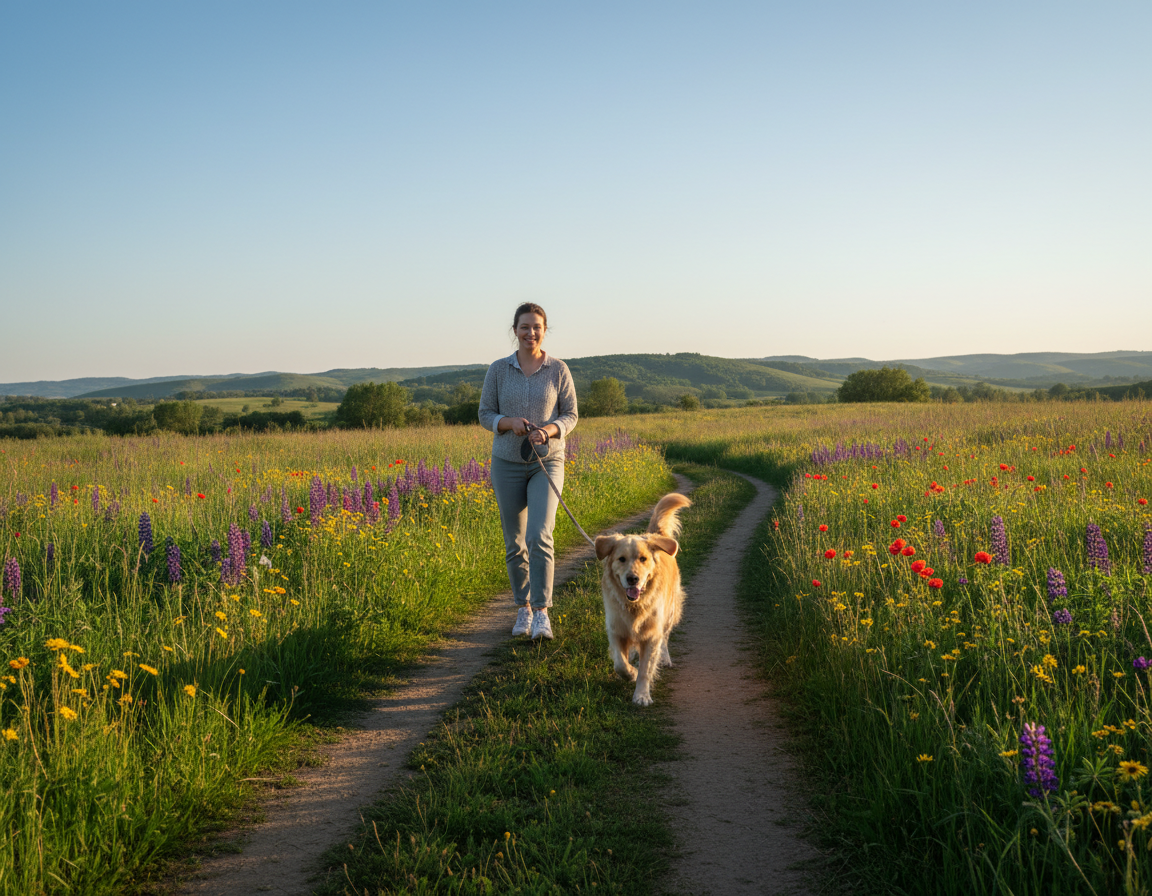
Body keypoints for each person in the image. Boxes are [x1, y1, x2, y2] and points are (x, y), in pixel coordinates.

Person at [478, 303, 578, 640]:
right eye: (524, 327)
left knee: (539, 535)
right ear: (515, 330)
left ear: (544, 330)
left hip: (546, 462)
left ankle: (542, 613)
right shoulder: (498, 369)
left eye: (536, 327)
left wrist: (548, 431)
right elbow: (484, 413)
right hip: (506, 462)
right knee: (514, 541)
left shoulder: (558, 370)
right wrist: (506, 423)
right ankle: (523, 609)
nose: (530, 333)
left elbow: (571, 415)